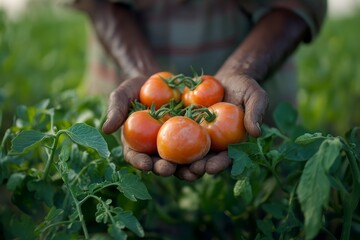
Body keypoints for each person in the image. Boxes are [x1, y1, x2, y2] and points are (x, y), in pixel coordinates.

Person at [72, 0, 327, 181]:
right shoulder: (169, 115)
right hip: (122, 54)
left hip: (258, 58)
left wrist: (244, 70)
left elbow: (300, 3)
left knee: (264, 180)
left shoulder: (192, 117)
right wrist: (138, 71)